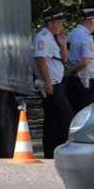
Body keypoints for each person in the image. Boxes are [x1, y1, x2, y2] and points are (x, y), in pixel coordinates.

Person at [33, 9, 74, 159]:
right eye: (59, 22)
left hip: (58, 82)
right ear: (50, 23)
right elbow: (40, 59)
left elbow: (63, 59)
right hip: (52, 84)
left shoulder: (53, 38)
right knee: (66, 115)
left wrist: (63, 44)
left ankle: (51, 152)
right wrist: (48, 82)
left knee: (53, 118)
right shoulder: (42, 37)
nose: (61, 26)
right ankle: (60, 149)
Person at [65, 8, 94, 113]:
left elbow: (65, 57)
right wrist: (72, 70)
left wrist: (69, 70)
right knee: (87, 115)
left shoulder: (71, 34)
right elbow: (86, 61)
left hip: (74, 82)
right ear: (92, 22)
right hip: (85, 83)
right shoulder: (86, 37)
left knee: (75, 114)